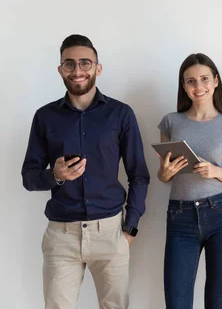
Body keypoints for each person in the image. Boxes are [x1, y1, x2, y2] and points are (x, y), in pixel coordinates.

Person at [22, 34, 150, 309]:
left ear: (97, 68)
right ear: (60, 70)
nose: (77, 71)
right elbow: (29, 177)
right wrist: (55, 175)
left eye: (85, 63)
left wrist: (131, 227)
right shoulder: (45, 117)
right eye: (69, 64)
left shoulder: (121, 114)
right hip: (61, 236)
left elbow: (138, 173)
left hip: (111, 232)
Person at [157, 53, 222, 309]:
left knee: (218, 303)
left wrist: (216, 171)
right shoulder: (171, 122)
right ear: (183, 86)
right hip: (180, 215)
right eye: (191, 81)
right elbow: (163, 178)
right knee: (177, 302)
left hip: (221, 214)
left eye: (204, 79)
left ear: (216, 81)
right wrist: (166, 171)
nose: (199, 87)